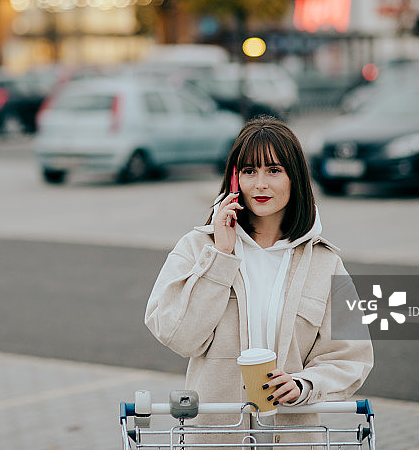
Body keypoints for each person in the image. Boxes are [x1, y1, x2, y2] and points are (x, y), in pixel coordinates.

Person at [145, 116, 373, 446]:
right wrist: (221, 256)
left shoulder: (326, 263)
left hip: (294, 437)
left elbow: (352, 356)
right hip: (217, 437)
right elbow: (178, 336)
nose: (260, 184)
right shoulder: (197, 248)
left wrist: (304, 384)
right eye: (250, 171)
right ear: (234, 179)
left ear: (295, 178)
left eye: (274, 170)